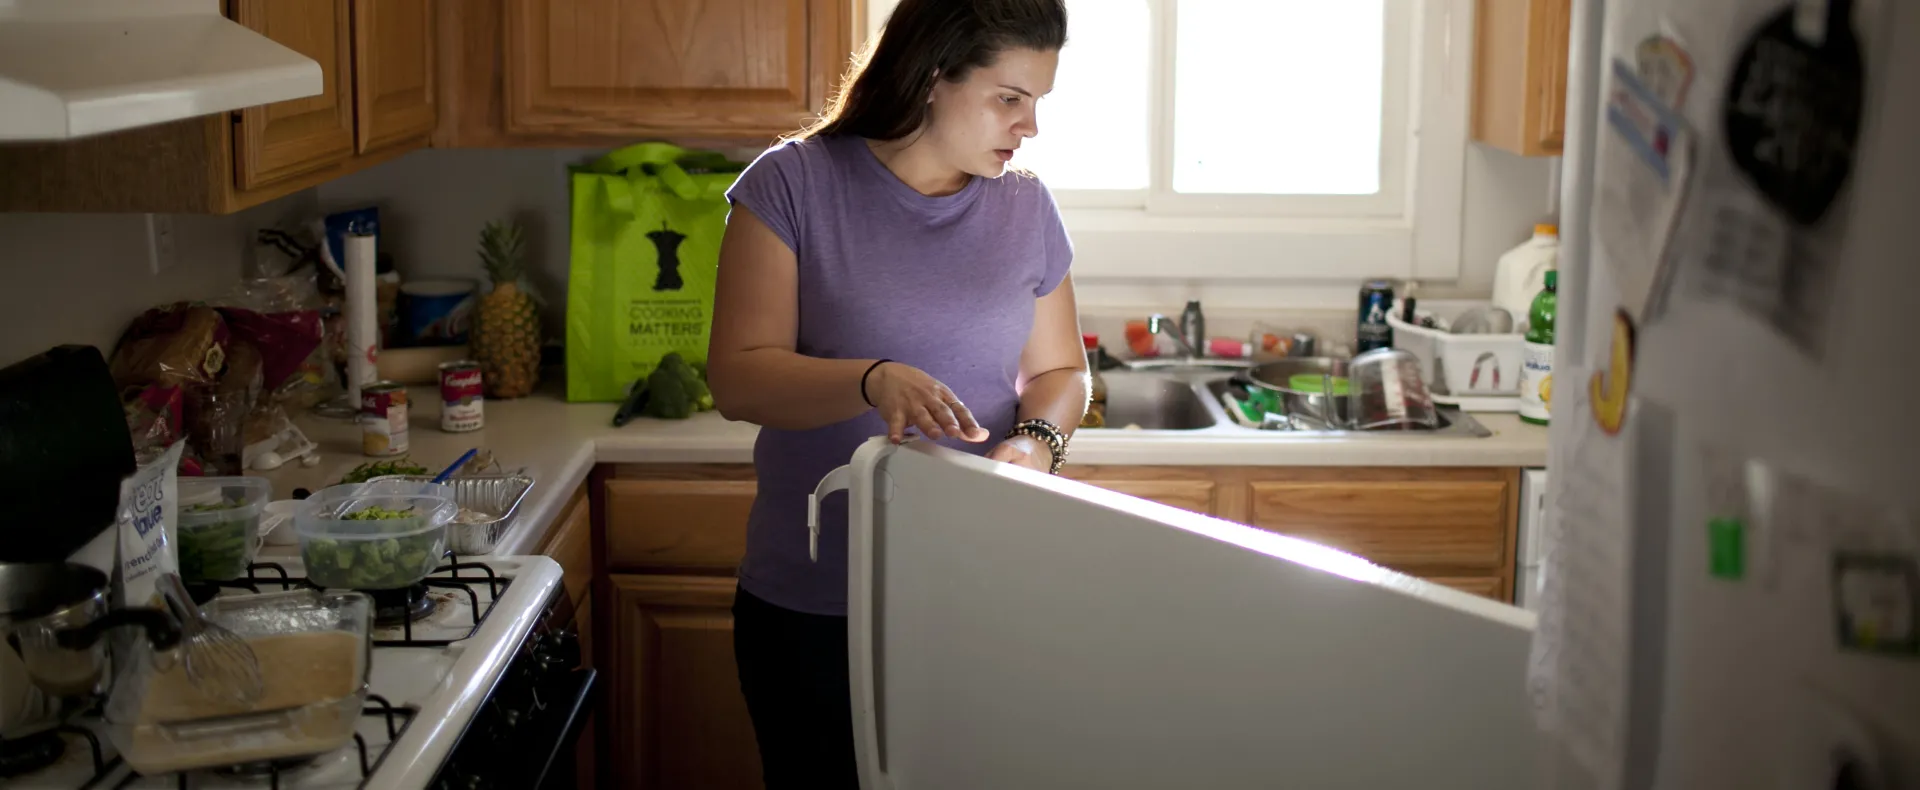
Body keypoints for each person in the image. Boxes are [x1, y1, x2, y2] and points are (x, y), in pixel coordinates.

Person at [704, 0, 1081, 784]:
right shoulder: (792, 185)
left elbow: (1060, 373)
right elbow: (738, 376)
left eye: (1038, 104)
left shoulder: (1025, 207)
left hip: (977, 597)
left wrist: (1034, 447)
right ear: (932, 75)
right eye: (1010, 99)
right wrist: (871, 380)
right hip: (813, 606)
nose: (1029, 127)